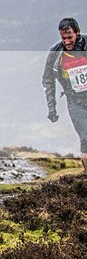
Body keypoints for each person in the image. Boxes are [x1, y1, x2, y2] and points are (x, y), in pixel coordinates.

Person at [43, 17, 87, 172]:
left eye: (70, 37)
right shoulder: (56, 54)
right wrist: (52, 108)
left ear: (78, 32)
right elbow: (48, 81)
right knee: (85, 137)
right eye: (63, 38)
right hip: (75, 102)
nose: (67, 42)